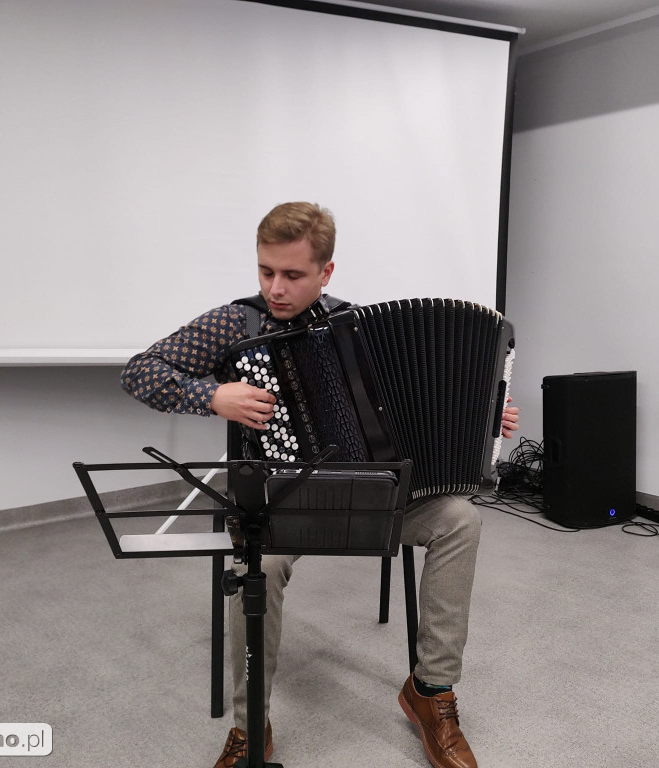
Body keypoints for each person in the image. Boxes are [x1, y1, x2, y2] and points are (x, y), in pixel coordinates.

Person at [121, 202, 520, 768]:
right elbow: (139, 371)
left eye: (293, 275)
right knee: (262, 566)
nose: (275, 288)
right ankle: (250, 725)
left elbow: (424, 405)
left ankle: (431, 692)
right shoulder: (233, 324)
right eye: (266, 272)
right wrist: (212, 396)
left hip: (373, 499)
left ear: (326, 273)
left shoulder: (357, 327)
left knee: (461, 519)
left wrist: (487, 416)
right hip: (282, 503)